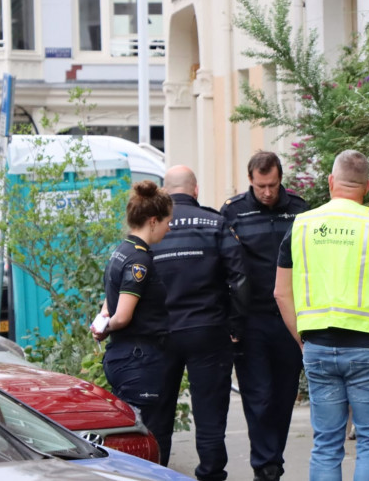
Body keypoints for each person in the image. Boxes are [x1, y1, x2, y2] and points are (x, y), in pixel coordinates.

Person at [274, 149, 369, 481]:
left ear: (331, 182)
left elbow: (280, 293)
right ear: (367, 187)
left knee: (327, 444)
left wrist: (302, 340)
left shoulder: (301, 226)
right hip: (368, 350)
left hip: (317, 347)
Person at [147, 165, 250, 481]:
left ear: (164, 193)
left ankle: (155, 473)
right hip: (208, 330)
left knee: (158, 415)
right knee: (210, 413)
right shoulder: (215, 223)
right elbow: (240, 278)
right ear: (195, 190)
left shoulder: (151, 230)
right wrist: (235, 325)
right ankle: (210, 474)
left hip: (160, 334)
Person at [220, 151, 308, 481]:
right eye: (260, 187)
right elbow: (226, 266)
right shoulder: (234, 212)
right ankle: (265, 466)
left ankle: (273, 460)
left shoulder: (299, 210)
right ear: (250, 182)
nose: (267, 193)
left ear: (280, 179)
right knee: (258, 395)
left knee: (284, 396)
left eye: (272, 185)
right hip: (251, 318)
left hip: (289, 318)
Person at [91, 180, 173, 431]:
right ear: (153, 221)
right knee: (149, 435)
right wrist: (106, 327)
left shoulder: (121, 251)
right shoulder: (140, 260)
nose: (168, 229)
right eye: (167, 222)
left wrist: (103, 320)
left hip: (124, 357)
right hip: (140, 360)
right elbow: (123, 315)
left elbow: (110, 301)